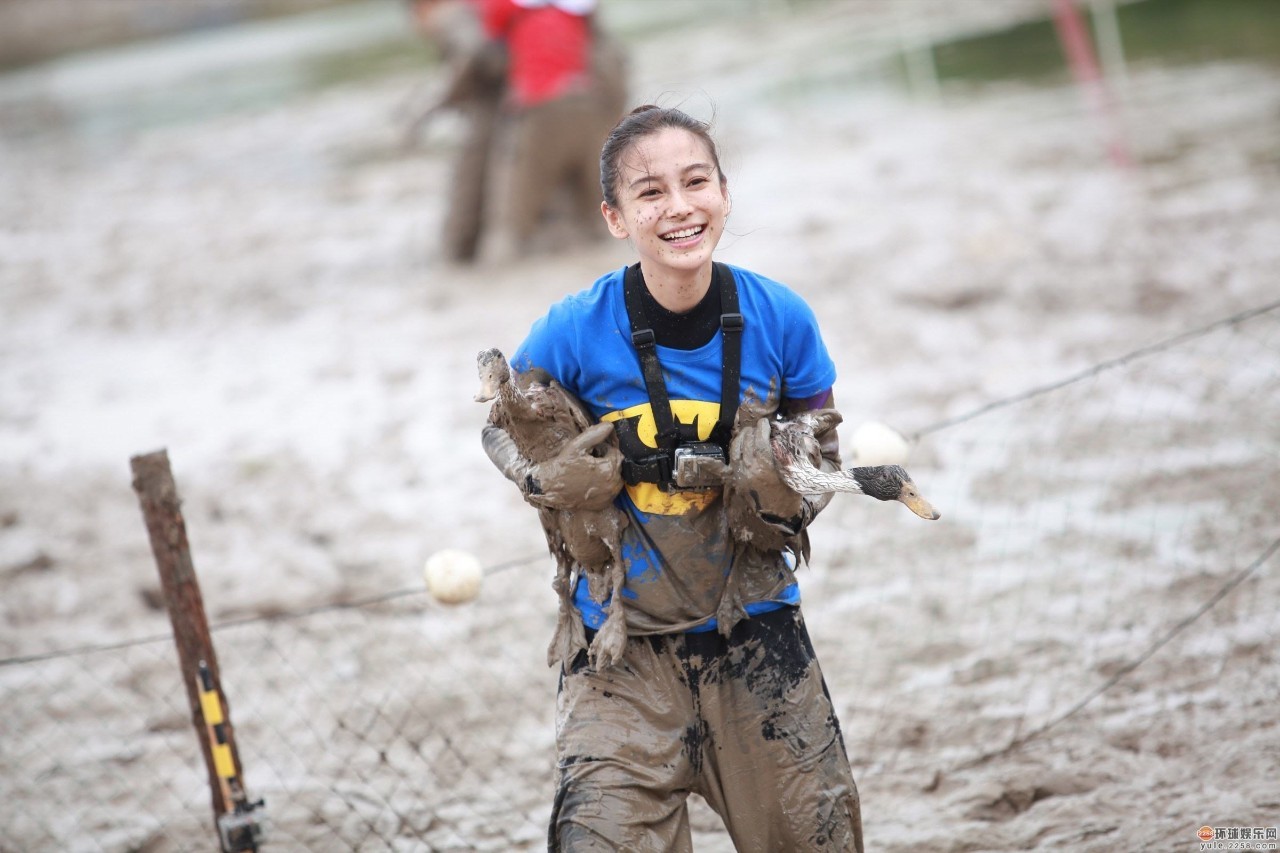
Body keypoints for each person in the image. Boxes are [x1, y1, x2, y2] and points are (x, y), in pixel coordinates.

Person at [481, 104, 865, 851]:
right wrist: (543, 479)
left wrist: (789, 480)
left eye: (696, 182)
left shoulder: (782, 318)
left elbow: (823, 450)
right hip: (619, 655)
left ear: (724, 192)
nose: (679, 207)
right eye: (650, 192)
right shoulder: (571, 326)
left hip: (759, 639)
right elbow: (501, 425)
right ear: (616, 217)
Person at [479, 0, 628, 260]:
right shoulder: (580, 8)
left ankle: (493, 278)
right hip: (588, 103)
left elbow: (489, 45)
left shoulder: (503, 6)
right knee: (602, 214)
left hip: (541, 111)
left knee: (514, 221)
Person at [402, 0, 507, 262]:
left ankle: (457, 258)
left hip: (491, 109)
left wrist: (449, 97)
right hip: (516, 102)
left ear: (420, 9)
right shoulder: (473, 10)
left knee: (468, 188)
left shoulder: (449, 16)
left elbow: (474, 51)